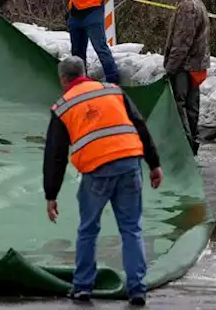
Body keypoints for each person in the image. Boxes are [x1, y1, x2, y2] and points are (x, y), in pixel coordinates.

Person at [44, 56, 163, 306]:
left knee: (88, 228)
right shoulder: (113, 91)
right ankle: (137, 289)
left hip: (97, 170)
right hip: (130, 163)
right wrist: (154, 164)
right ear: (85, 72)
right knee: (131, 229)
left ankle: (83, 287)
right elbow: (139, 125)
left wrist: (51, 194)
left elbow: (55, 155)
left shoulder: (63, 107)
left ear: (63, 79)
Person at [162, 0, 210, 155]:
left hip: (185, 66)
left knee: (180, 104)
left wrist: (171, 68)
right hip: (196, 65)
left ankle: (185, 144)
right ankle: (192, 141)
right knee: (192, 106)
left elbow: (182, 42)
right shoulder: (199, 3)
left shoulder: (187, 7)